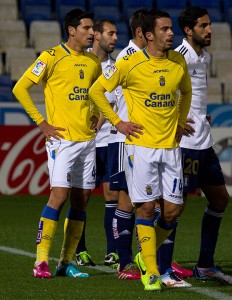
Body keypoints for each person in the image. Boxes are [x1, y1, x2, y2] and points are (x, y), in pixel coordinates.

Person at [89, 9, 192, 291]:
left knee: (173, 211)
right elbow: (96, 92)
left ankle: (142, 253)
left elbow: (186, 91)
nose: (172, 33)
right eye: (165, 29)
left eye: (172, 29)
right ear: (148, 35)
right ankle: (152, 273)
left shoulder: (178, 61)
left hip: (170, 147)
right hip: (140, 148)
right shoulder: (130, 64)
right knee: (145, 208)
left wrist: (181, 122)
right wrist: (118, 123)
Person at [12, 8, 102, 278]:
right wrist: (41, 122)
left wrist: (97, 115)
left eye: (92, 29)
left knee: (82, 200)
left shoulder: (93, 63)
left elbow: (96, 93)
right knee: (59, 196)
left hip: (87, 142)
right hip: (62, 141)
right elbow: (20, 88)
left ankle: (65, 262)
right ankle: (41, 262)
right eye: (86, 28)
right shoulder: (50, 57)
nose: (91, 33)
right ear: (72, 30)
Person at [157, 6, 232, 286]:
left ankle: (204, 266)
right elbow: (159, 91)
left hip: (203, 141)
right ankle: (160, 267)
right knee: (172, 209)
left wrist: (200, 114)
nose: (210, 30)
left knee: (220, 199)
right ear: (188, 30)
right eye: (204, 25)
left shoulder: (204, 57)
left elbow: (193, 94)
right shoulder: (176, 58)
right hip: (184, 144)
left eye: (210, 24)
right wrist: (174, 121)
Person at [108, 8, 149, 281]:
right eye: (157, 30)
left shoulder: (148, 58)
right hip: (126, 140)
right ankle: (124, 262)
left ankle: (145, 256)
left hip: (146, 138)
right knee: (127, 199)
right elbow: (105, 94)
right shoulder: (127, 58)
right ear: (140, 33)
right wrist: (117, 123)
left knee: (150, 200)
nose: (164, 34)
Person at [75, 19, 119, 268]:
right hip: (83, 141)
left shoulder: (115, 68)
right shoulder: (81, 63)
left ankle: (112, 251)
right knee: (81, 197)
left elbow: (111, 102)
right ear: (98, 36)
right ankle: (79, 250)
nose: (114, 39)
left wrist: (102, 120)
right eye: (110, 34)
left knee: (111, 195)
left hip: (109, 141)